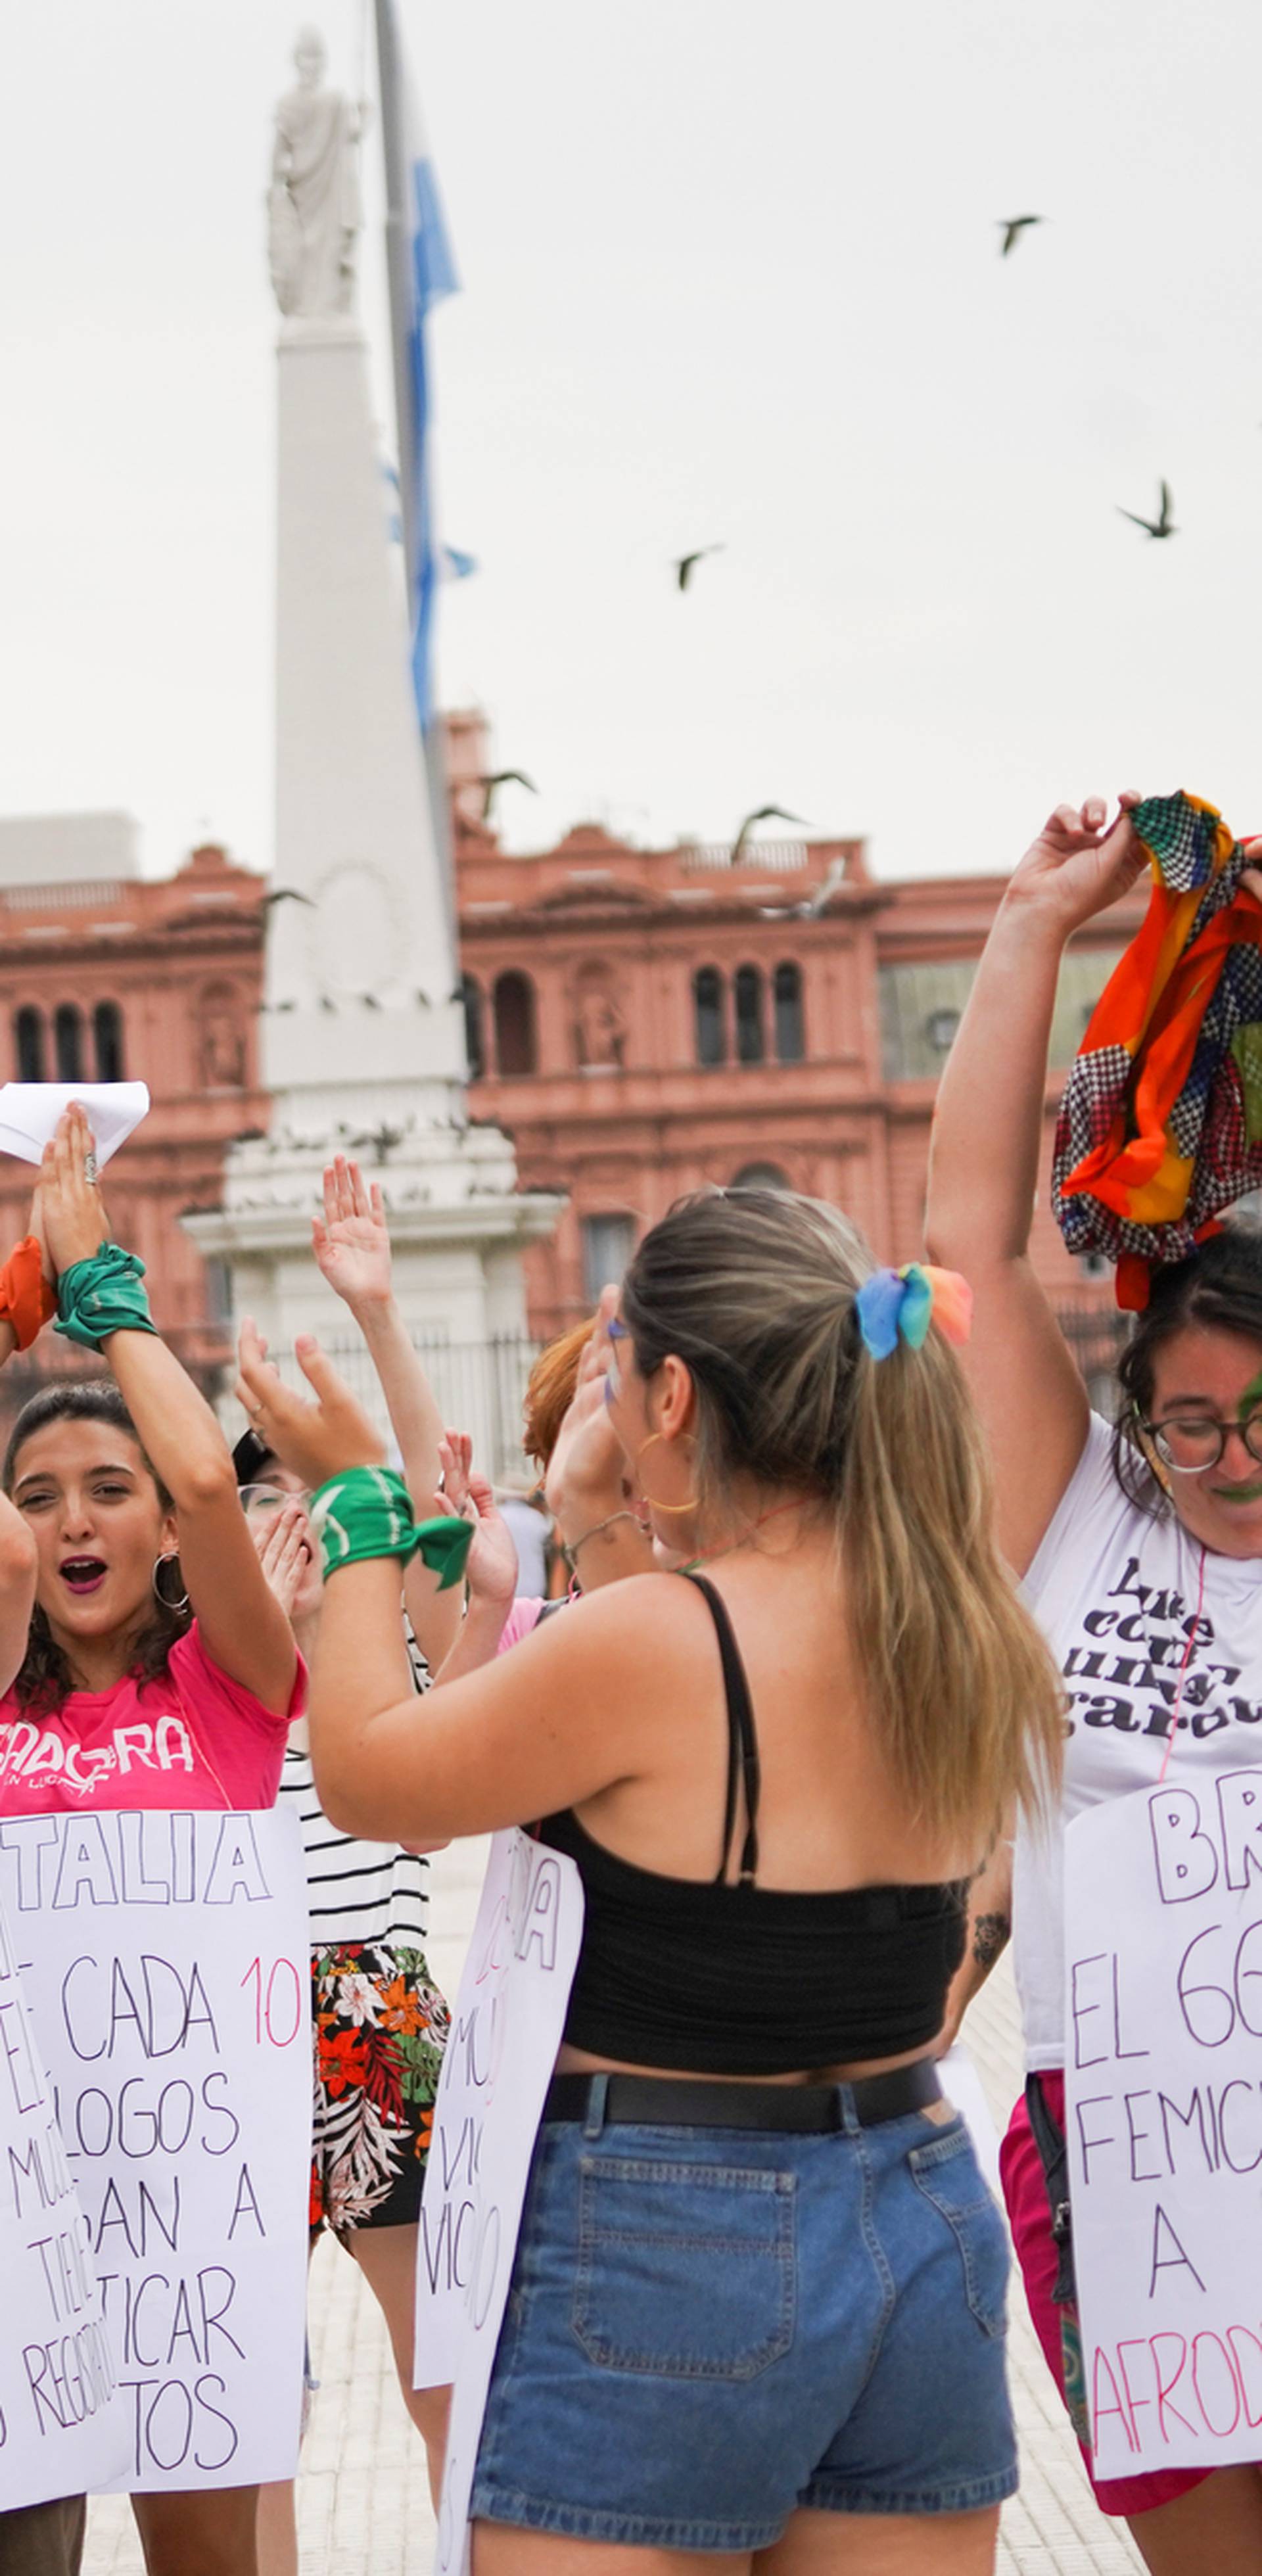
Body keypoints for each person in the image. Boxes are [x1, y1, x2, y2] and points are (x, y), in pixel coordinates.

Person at [239, 1184, 1065, 2575]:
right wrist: (582, 1502)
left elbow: (375, 1779)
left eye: (616, 1372)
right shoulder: (954, 1613)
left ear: (674, 1396)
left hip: (673, 2237)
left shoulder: (653, 1644)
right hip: (918, 2210)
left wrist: (363, 1503)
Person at [927, 794, 1262, 2573]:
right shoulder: (1084, 1523)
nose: (1224, 1460)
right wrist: (1032, 928)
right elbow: (972, 1252)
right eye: (1190, 1419)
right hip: (1127, 2150)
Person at [0, 1106, 302, 2576]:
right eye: (36, 1494)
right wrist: (11, 1314)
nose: (74, 1520)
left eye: (104, 1491)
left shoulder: (230, 1690)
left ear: (162, 1533)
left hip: (184, 2233)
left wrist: (103, 1292)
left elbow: (204, 1477)